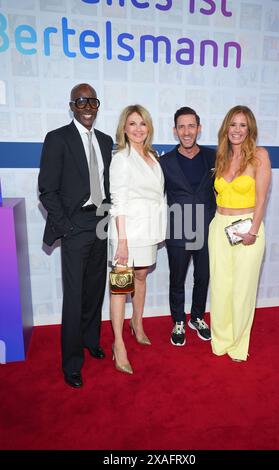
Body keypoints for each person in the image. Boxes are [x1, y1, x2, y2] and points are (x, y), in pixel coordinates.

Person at [38, 83, 113, 388]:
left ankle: (91, 340)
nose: (87, 107)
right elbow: (47, 190)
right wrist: (67, 227)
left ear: (97, 106)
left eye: (92, 101)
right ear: (72, 105)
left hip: (101, 223)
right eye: (81, 101)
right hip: (75, 226)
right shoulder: (58, 139)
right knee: (74, 297)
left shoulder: (107, 141)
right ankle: (71, 362)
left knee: (95, 289)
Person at [208, 105, 271, 362]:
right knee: (221, 287)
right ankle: (221, 340)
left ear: (250, 129)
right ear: (226, 128)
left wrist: (253, 231)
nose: (237, 130)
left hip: (248, 228)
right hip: (219, 226)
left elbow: (262, 198)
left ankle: (238, 344)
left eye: (242, 125)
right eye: (233, 124)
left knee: (243, 289)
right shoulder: (221, 157)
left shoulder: (259, 156)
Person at [109, 104, 166, 374]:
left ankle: (137, 323)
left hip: (149, 231)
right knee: (121, 286)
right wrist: (121, 241)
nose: (138, 129)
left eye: (142, 123)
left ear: (149, 128)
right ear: (124, 128)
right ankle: (118, 344)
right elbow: (117, 201)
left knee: (141, 276)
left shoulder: (152, 157)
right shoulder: (121, 158)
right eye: (132, 123)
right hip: (127, 233)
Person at [160, 107, 216, 346]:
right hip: (178, 229)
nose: (186, 131)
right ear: (175, 131)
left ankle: (197, 316)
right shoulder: (164, 162)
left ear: (199, 129)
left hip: (207, 227)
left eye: (191, 126)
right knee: (178, 279)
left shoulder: (213, 157)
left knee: (203, 277)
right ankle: (178, 320)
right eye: (181, 126)